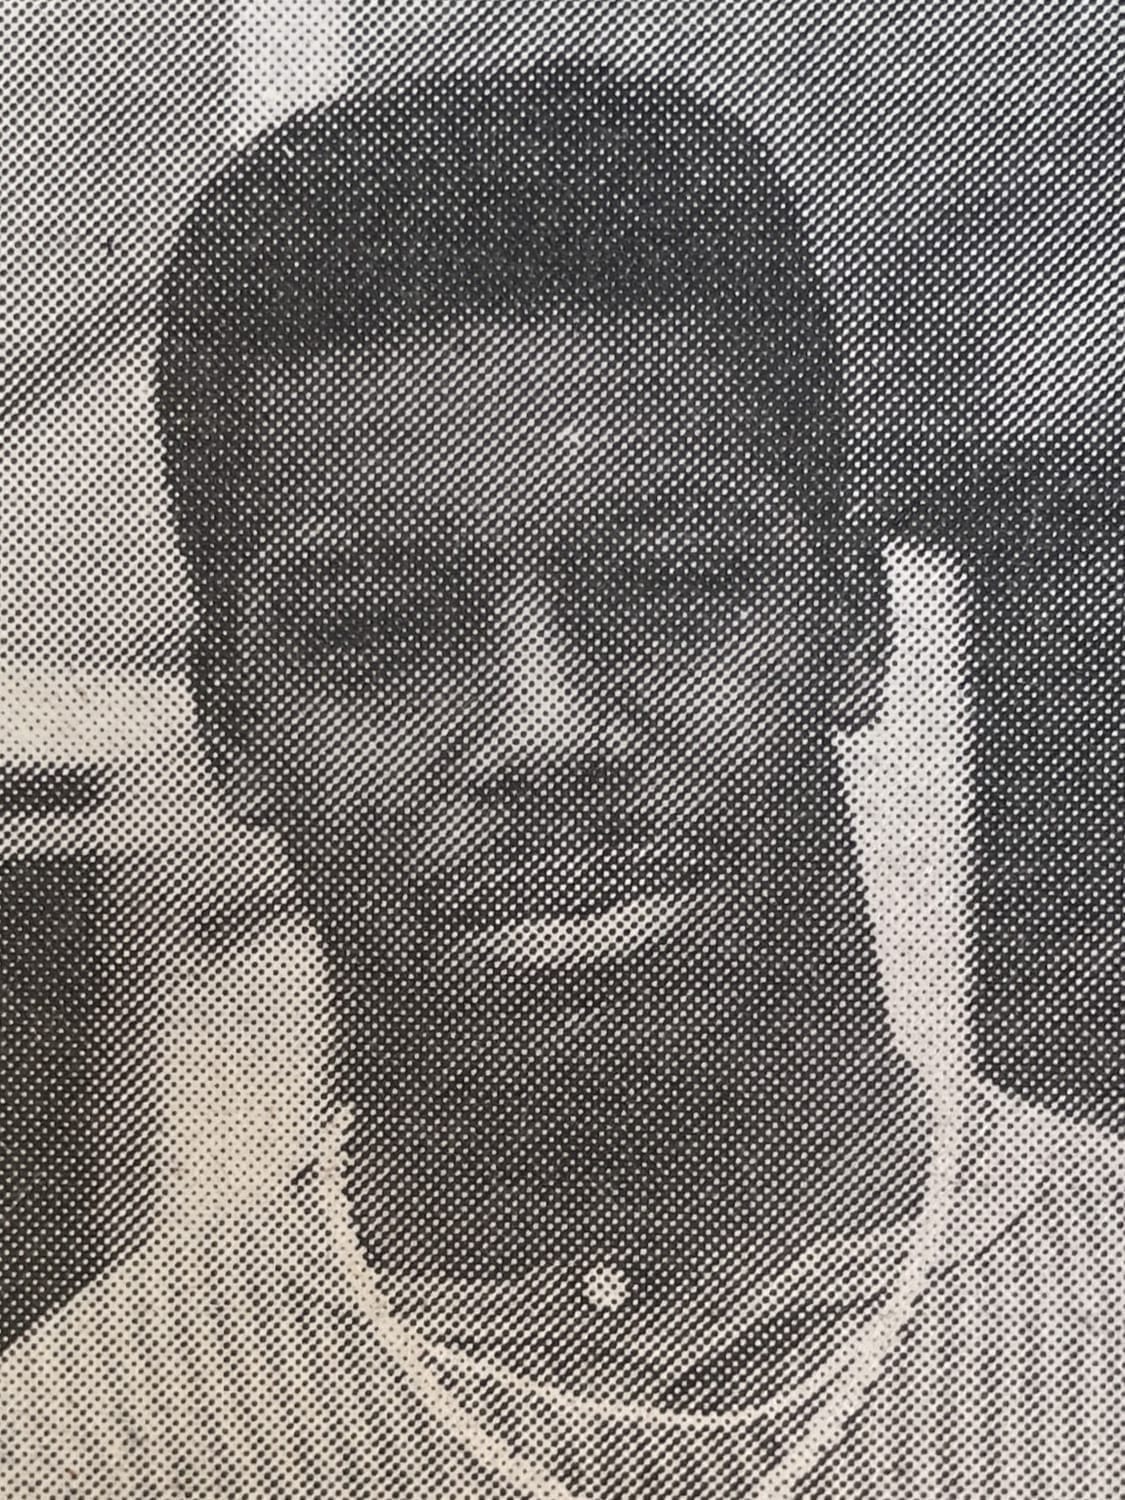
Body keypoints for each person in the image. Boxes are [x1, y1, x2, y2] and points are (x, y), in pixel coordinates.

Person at [3, 59, 1125, 1500]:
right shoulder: (83, 1446)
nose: (542, 733)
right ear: (235, 731)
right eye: (377, 636)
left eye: (663, 593)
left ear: (855, 622)